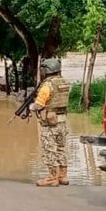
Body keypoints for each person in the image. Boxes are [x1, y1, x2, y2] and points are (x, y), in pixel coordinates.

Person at [30, 57, 71, 187]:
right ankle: (63, 176)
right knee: (61, 148)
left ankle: (52, 177)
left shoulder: (47, 86)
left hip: (50, 122)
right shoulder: (65, 82)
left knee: (49, 149)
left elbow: (38, 105)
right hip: (62, 120)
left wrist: (31, 107)